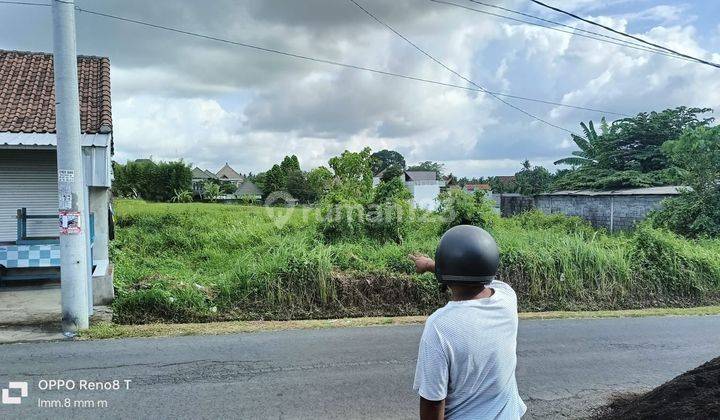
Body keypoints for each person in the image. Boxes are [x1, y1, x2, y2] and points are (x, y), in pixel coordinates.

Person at [409, 225, 526, 420]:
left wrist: (432, 266)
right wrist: (433, 266)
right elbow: (479, 276)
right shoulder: (507, 297)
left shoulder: (439, 326)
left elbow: (433, 401)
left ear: (444, 268)